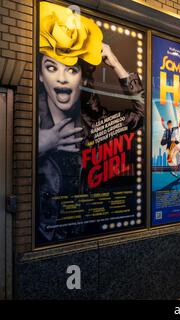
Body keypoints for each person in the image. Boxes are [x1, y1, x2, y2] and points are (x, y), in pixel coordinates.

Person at [37, 1, 144, 243]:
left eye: (72, 70)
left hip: (81, 233)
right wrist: (38, 145)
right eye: (52, 67)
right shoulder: (32, 121)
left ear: (81, 79)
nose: (62, 78)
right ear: (41, 76)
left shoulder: (93, 125)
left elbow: (141, 112)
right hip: (41, 240)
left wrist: (115, 63)